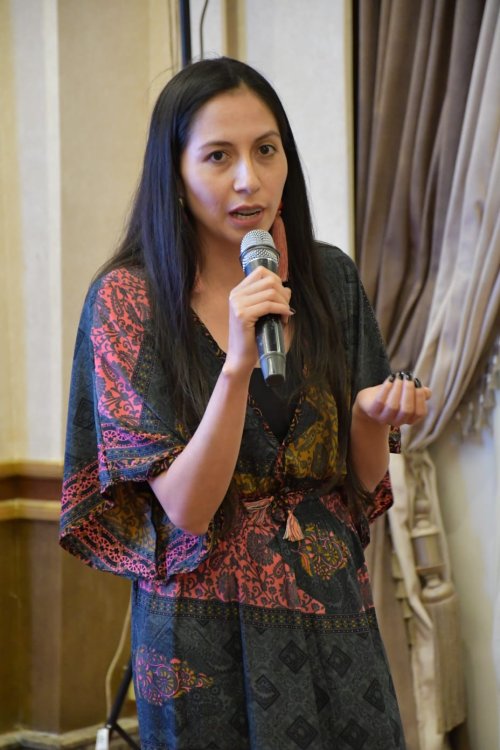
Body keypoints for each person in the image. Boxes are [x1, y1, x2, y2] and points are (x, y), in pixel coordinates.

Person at [60, 57, 430, 750]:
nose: (248, 179)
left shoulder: (331, 278)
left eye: (265, 150)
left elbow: (362, 483)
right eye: (218, 156)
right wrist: (236, 364)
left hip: (333, 612)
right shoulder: (128, 301)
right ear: (174, 174)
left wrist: (369, 418)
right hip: (203, 635)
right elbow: (187, 509)